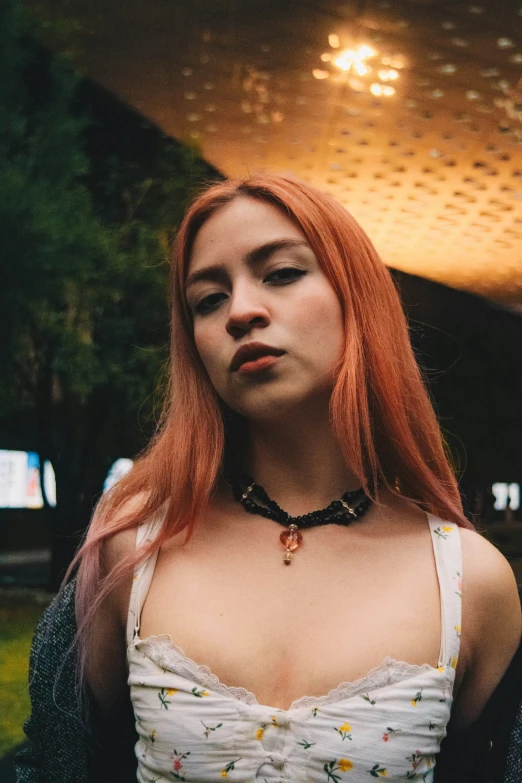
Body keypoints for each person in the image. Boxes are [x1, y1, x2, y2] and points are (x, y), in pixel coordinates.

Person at [17, 174, 522, 782]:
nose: (242, 311)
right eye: (208, 299)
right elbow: (52, 764)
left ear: (357, 296)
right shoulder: (132, 554)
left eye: (281, 273)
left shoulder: (472, 583)